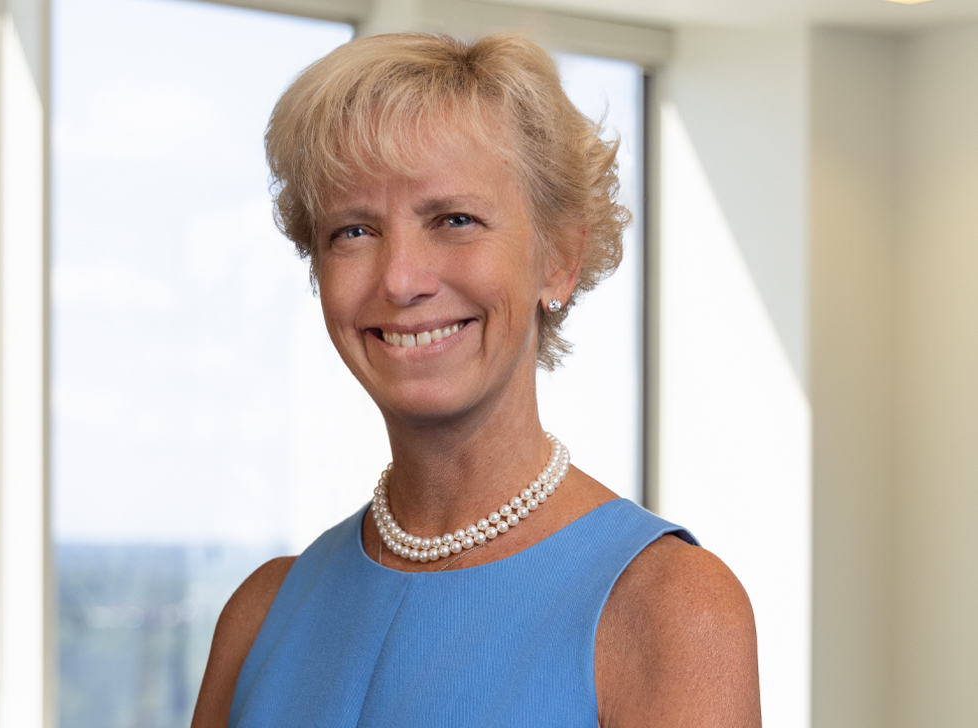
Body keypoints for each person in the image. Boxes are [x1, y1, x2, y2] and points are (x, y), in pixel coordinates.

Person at [191, 32, 760, 727]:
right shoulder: (258, 616)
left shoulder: (672, 609)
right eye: (353, 231)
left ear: (559, 258)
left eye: (455, 220)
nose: (400, 279)